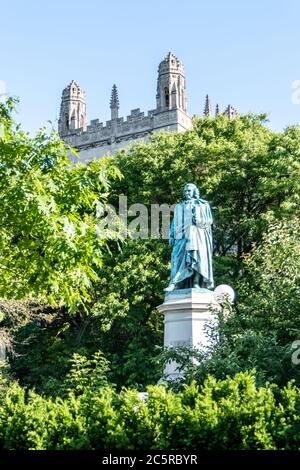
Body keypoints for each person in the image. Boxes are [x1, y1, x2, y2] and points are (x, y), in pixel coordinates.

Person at [164, 183, 214, 292]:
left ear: (194, 192)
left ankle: (196, 283)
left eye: (189, 191)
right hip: (182, 237)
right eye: (185, 191)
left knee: (197, 258)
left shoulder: (202, 205)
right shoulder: (179, 206)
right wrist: (171, 235)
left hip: (198, 235)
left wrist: (200, 221)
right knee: (177, 258)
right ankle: (175, 283)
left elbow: (209, 221)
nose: (187, 193)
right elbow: (174, 222)